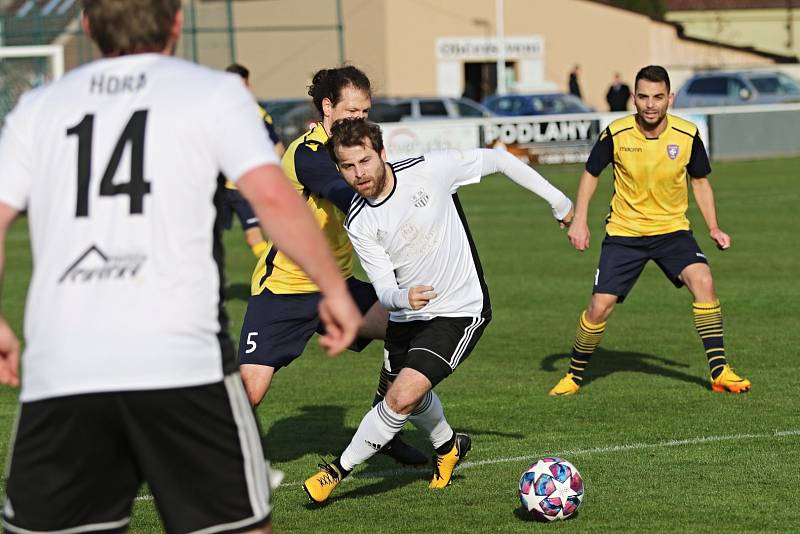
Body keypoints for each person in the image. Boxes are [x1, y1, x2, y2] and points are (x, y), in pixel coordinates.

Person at [0, 1, 362, 533]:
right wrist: (333, 286)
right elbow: (274, 199)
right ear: (175, 23)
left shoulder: (38, 106)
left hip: (65, 364)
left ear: (86, 26)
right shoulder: (214, 94)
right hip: (183, 361)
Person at [302, 118, 574, 503]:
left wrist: (559, 201)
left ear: (382, 153)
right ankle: (448, 447)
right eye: (347, 166)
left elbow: (499, 160)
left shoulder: (430, 169)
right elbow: (383, 288)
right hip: (406, 315)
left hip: (460, 309)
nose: (358, 173)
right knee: (408, 399)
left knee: (397, 399)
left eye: (364, 161)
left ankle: (336, 472)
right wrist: (403, 298)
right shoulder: (360, 221)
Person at [238, 66, 427, 466]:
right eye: (352, 111)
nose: (360, 119)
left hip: (336, 287)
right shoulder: (307, 152)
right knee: (249, 392)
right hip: (285, 290)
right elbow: (345, 193)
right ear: (328, 107)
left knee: (405, 329)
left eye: (366, 112)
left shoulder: (358, 150)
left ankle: (385, 427)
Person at [549, 65, 751, 397]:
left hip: (672, 231)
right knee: (599, 306)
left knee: (703, 281)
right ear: (634, 98)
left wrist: (713, 226)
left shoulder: (687, 135)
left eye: (658, 97)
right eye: (643, 97)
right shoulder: (617, 133)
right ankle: (573, 374)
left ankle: (720, 371)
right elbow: (590, 173)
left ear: (670, 97)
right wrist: (580, 219)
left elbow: (700, 182)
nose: (650, 105)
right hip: (625, 234)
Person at [222, 63, 285, 258]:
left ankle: (270, 274)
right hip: (218, 186)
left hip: (239, 186)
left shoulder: (254, 113)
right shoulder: (218, 111)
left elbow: (278, 148)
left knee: (254, 236)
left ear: (247, 85)